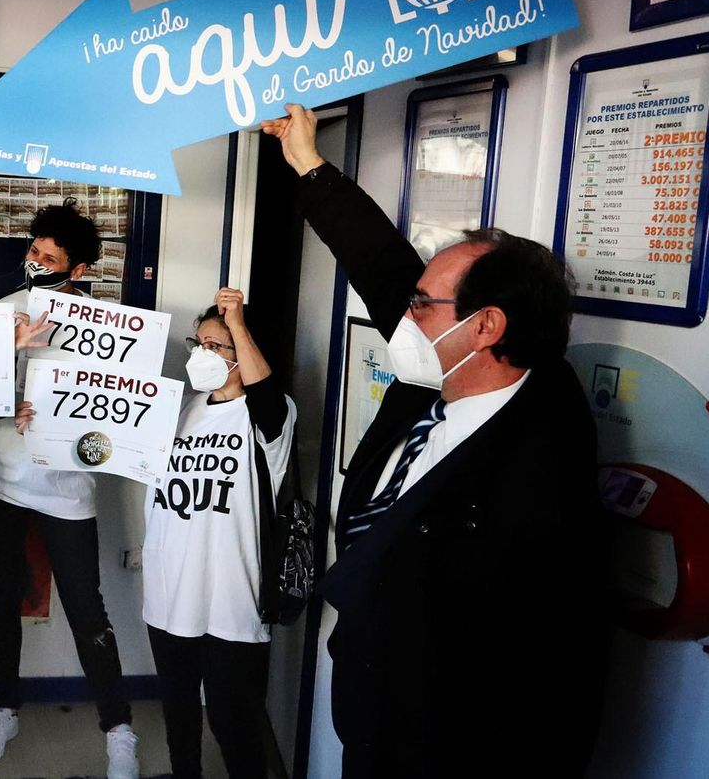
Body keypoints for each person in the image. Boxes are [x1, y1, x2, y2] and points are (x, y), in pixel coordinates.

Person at [259, 104, 608, 777]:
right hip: (372, 709)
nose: (405, 313)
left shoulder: (542, 463)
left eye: (423, 305)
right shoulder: (436, 380)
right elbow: (383, 266)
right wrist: (307, 162)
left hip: (445, 744)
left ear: (486, 327)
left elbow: (551, 673)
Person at [0, 201, 139, 779]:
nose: (36, 262)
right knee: (0, 600)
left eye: (50, 257)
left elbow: (120, 409)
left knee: (87, 610)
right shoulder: (3, 312)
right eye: (34, 251)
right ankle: (3, 709)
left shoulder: (108, 328)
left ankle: (119, 729)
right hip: (5, 480)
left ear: (77, 270)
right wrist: (5, 389)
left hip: (68, 490)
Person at [140, 288, 295, 779]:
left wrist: (239, 324)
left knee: (233, 722)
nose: (201, 354)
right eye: (198, 343)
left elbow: (266, 395)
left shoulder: (268, 417)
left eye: (216, 346)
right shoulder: (177, 409)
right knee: (179, 714)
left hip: (230, 600)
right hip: (169, 591)